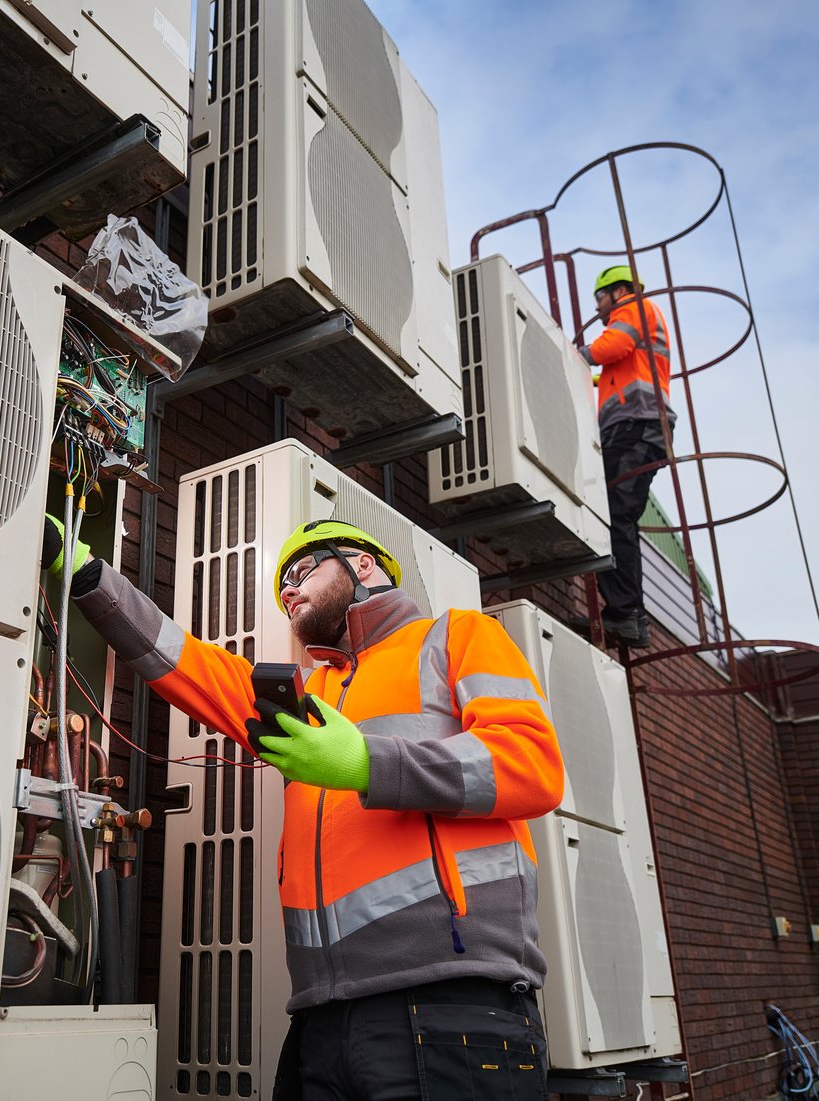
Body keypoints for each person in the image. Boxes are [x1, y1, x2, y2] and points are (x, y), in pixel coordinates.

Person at [44, 514, 564, 1100]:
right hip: (323, 1017)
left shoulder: (454, 637)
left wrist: (368, 763)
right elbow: (192, 664)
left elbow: (532, 764)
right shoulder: (308, 694)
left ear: (362, 565)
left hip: (452, 1002)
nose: (287, 590)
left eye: (300, 571)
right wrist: (85, 574)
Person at [577, 264, 676, 648]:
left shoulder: (632, 308)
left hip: (637, 426)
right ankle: (627, 614)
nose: (600, 309)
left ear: (617, 291)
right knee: (616, 516)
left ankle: (627, 615)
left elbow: (609, 348)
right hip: (638, 427)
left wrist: (574, 354)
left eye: (600, 298)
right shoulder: (638, 319)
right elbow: (618, 366)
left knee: (616, 516)